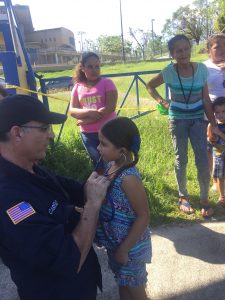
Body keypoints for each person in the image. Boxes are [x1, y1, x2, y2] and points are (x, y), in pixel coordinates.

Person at [0, 94, 110, 300]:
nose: (50, 135)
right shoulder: (9, 198)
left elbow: (73, 190)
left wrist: (114, 172)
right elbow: (68, 258)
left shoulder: (31, 168)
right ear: (17, 133)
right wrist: (93, 206)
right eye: (44, 128)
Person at [146, 34, 217, 218]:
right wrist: (161, 100)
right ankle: (183, 196)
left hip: (198, 121)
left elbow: (206, 99)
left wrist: (214, 123)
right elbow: (150, 85)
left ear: (190, 49)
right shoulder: (169, 71)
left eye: (186, 48)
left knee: (202, 158)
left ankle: (204, 199)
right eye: (178, 50)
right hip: (177, 121)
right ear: (172, 54)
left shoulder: (201, 69)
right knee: (181, 159)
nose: (183, 53)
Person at [95, 117, 151, 300]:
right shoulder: (110, 165)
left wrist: (124, 249)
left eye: (103, 144)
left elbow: (144, 216)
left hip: (130, 248)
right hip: (116, 244)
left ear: (122, 151)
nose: (97, 148)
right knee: (123, 284)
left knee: (136, 291)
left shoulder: (128, 179)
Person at [69, 51, 118, 172]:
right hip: (88, 134)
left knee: (113, 162)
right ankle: (101, 187)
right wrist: (89, 112)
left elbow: (110, 108)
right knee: (97, 163)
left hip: (108, 131)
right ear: (82, 68)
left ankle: (118, 186)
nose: (94, 70)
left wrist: (85, 120)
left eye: (97, 66)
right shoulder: (77, 87)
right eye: (90, 66)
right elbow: (72, 110)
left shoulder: (107, 83)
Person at [204, 33, 225, 191]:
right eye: (217, 47)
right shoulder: (203, 67)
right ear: (209, 50)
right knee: (211, 147)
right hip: (211, 115)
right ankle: (214, 180)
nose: (222, 50)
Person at [207, 97, 225, 206]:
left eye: (224, 111)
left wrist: (219, 133)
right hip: (218, 155)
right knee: (220, 176)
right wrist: (211, 135)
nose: (220, 115)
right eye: (217, 112)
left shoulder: (218, 128)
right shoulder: (213, 125)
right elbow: (210, 138)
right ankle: (222, 196)